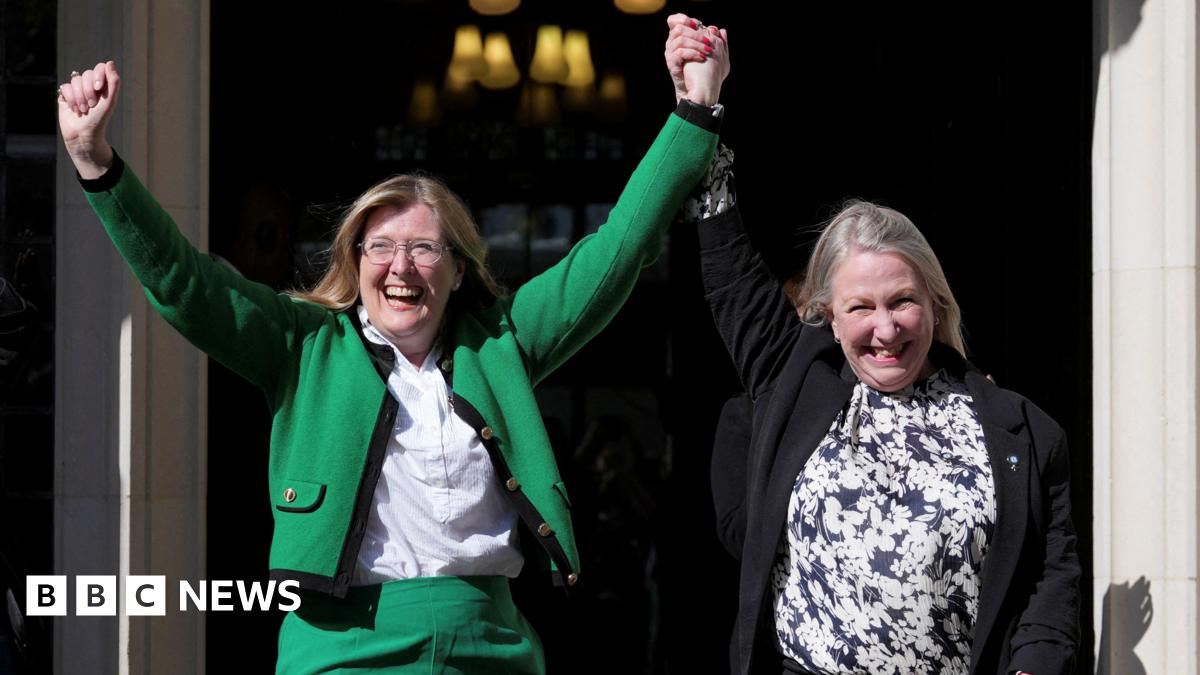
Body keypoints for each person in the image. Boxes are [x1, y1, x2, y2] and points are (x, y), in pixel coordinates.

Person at [57, 16, 729, 672]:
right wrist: (96, 163)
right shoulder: (305, 345)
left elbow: (618, 251)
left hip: (489, 645)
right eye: (379, 246)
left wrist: (694, 110)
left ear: (459, 267)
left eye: (423, 248)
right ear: (355, 260)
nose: (400, 266)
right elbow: (186, 284)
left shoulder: (502, 341)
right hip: (340, 647)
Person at [669, 17, 1080, 672]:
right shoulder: (795, 382)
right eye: (861, 307)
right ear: (827, 315)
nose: (885, 328)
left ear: (936, 303)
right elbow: (724, 252)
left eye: (902, 302)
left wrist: (1034, 662)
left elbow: (1049, 577)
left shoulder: (1022, 433)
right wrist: (700, 107)